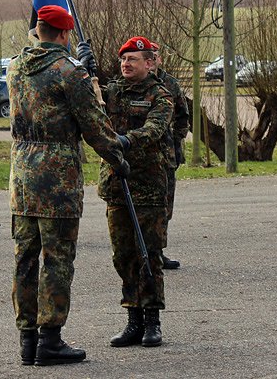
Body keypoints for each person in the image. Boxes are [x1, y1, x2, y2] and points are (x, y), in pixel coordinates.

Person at [8, 5, 129, 367]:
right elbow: (94, 126)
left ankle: (27, 340)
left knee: (25, 259)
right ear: (64, 34)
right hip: (57, 179)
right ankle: (51, 339)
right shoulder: (69, 72)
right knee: (57, 259)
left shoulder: (15, 67)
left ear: (38, 30)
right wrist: (117, 157)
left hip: (22, 177)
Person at [98, 35, 174, 348]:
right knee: (123, 255)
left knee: (149, 255)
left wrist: (125, 141)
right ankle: (133, 319)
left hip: (148, 186)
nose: (127, 64)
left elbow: (155, 129)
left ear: (150, 63)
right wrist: (83, 70)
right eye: (124, 59)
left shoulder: (160, 95)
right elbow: (87, 103)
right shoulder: (111, 91)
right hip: (117, 184)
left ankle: (152, 320)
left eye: (133, 59)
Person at [147, 41, 189, 270]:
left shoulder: (170, 84)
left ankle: (158, 251)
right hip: (139, 157)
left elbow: (183, 115)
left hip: (165, 156)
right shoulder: (128, 85)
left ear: (158, 59)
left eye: (155, 57)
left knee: (164, 206)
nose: (151, 61)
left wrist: (176, 140)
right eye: (148, 57)